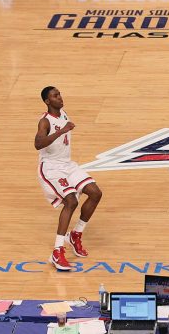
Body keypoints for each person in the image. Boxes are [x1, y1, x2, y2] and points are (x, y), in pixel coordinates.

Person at [35, 86, 104, 271]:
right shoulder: (45, 121)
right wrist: (62, 130)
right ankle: (57, 251)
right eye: (55, 96)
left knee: (95, 193)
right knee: (71, 201)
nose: (60, 97)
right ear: (48, 101)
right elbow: (38, 143)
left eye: (59, 94)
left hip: (67, 165)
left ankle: (75, 235)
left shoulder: (63, 113)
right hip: (51, 168)